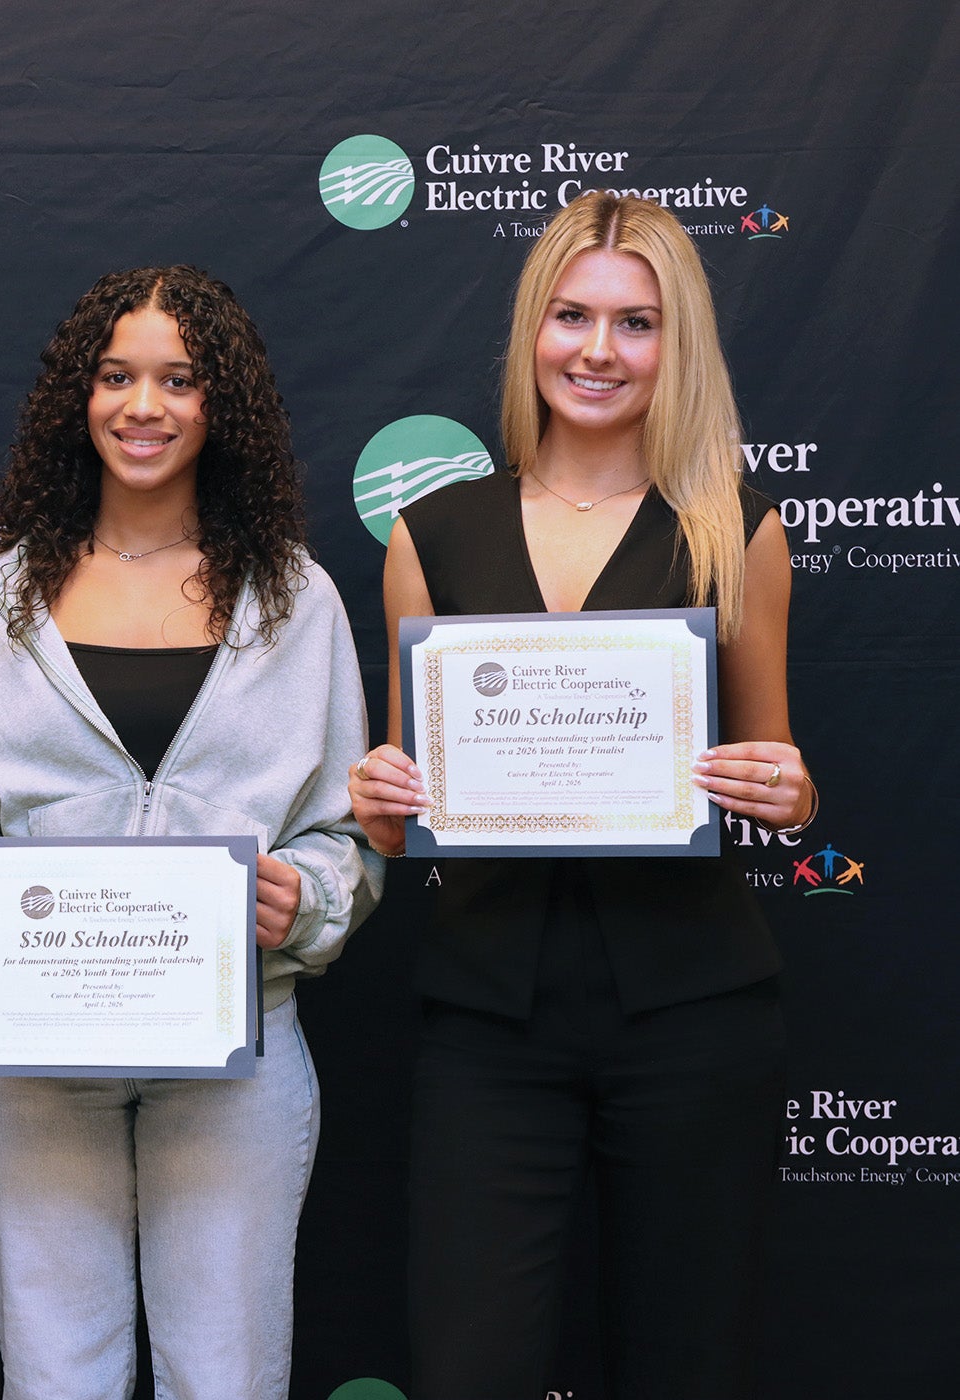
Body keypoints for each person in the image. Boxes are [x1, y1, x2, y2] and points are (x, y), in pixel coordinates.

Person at [348, 192, 813, 1399]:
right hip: (490, 1018)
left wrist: (790, 789)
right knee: (468, 1364)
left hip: (695, 1008)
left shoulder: (735, 529)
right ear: (532, 330)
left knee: (688, 1360)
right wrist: (381, 794)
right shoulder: (430, 534)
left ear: (678, 346)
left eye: (636, 323)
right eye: (572, 315)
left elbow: (779, 767)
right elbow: (407, 800)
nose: (598, 350)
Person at [0, 266, 382, 1400]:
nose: (144, 406)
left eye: (179, 379)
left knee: (223, 1372)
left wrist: (305, 899)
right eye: (117, 376)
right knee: (53, 1372)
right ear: (78, 396)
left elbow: (342, 832)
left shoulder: (295, 599)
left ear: (222, 405)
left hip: (236, 1054)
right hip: (36, 1057)